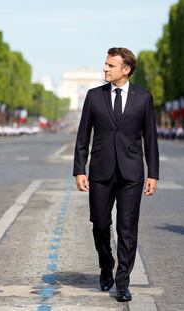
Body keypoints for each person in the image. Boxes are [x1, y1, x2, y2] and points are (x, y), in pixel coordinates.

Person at [73, 47, 159, 302]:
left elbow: (151, 139)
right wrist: (80, 169)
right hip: (100, 171)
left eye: (111, 66)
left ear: (126, 69)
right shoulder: (93, 96)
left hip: (132, 173)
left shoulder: (144, 97)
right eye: (105, 64)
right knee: (100, 224)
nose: (105, 69)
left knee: (127, 228)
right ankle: (105, 263)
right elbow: (82, 136)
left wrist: (152, 173)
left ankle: (122, 282)